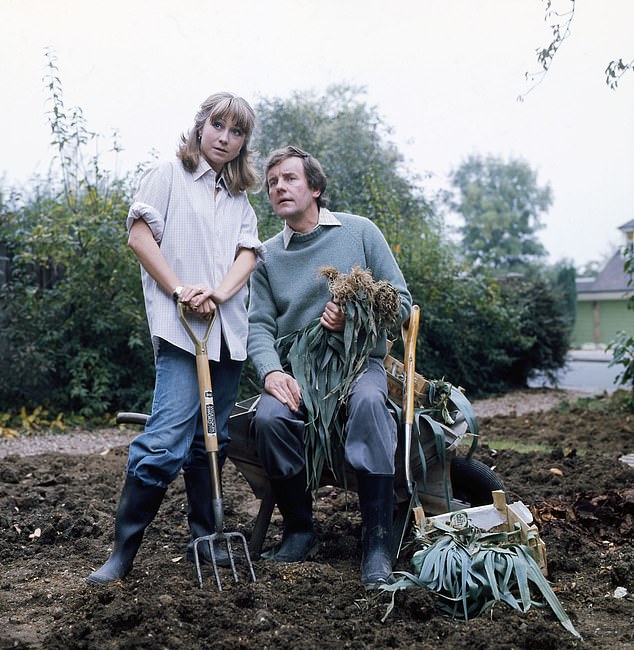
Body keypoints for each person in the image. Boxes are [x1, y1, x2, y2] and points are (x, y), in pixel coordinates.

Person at [87, 92, 265, 585]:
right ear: (200, 126)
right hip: (182, 332)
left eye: (237, 132)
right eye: (218, 126)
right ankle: (122, 553)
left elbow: (248, 255)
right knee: (165, 441)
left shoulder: (239, 198)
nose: (225, 139)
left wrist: (219, 292)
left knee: (212, 439)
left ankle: (204, 542)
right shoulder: (168, 175)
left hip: (226, 334)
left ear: (243, 143)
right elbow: (140, 236)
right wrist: (182, 290)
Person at [247, 145, 412, 589]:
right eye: (272, 183)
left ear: (315, 187)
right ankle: (300, 531)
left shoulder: (360, 232)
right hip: (299, 371)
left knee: (370, 404)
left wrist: (354, 316)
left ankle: (376, 543)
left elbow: (402, 302)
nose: (279, 187)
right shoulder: (265, 257)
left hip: (359, 363)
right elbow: (257, 326)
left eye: (290, 179)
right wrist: (270, 372)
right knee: (269, 417)